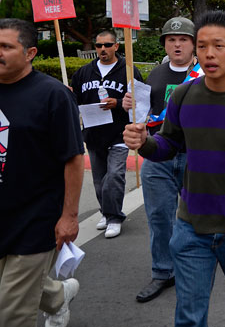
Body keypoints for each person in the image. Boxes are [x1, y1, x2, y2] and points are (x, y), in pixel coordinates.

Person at [123, 10, 225, 327]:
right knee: (189, 315)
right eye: (202, 46)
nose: (209, 54)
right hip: (191, 229)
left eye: (218, 45)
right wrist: (144, 142)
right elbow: (169, 144)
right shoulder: (184, 95)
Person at [0, 18, 83, 327]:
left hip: (34, 220)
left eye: (6, 47)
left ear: (30, 53)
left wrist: (69, 216)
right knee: (12, 290)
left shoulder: (53, 95)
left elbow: (73, 158)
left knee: (10, 314)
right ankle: (58, 296)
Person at [122, 17, 202, 303]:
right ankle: (163, 271)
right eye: (171, 40)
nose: (177, 45)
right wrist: (129, 106)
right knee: (158, 217)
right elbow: (145, 116)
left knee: (199, 216)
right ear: (165, 44)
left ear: (194, 44)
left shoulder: (206, 75)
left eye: (183, 40)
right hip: (158, 156)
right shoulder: (154, 75)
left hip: (196, 156)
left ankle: (201, 263)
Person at [71, 30, 143, 239]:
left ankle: (114, 218)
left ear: (116, 46)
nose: (103, 49)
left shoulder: (129, 71)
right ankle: (106, 211)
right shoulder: (84, 73)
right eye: (99, 45)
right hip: (94, 135)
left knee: (114, 176)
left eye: (107, 45)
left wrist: (118, 103)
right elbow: (75, 99)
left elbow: (140, 101)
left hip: (119, 133)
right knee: (99, 181)